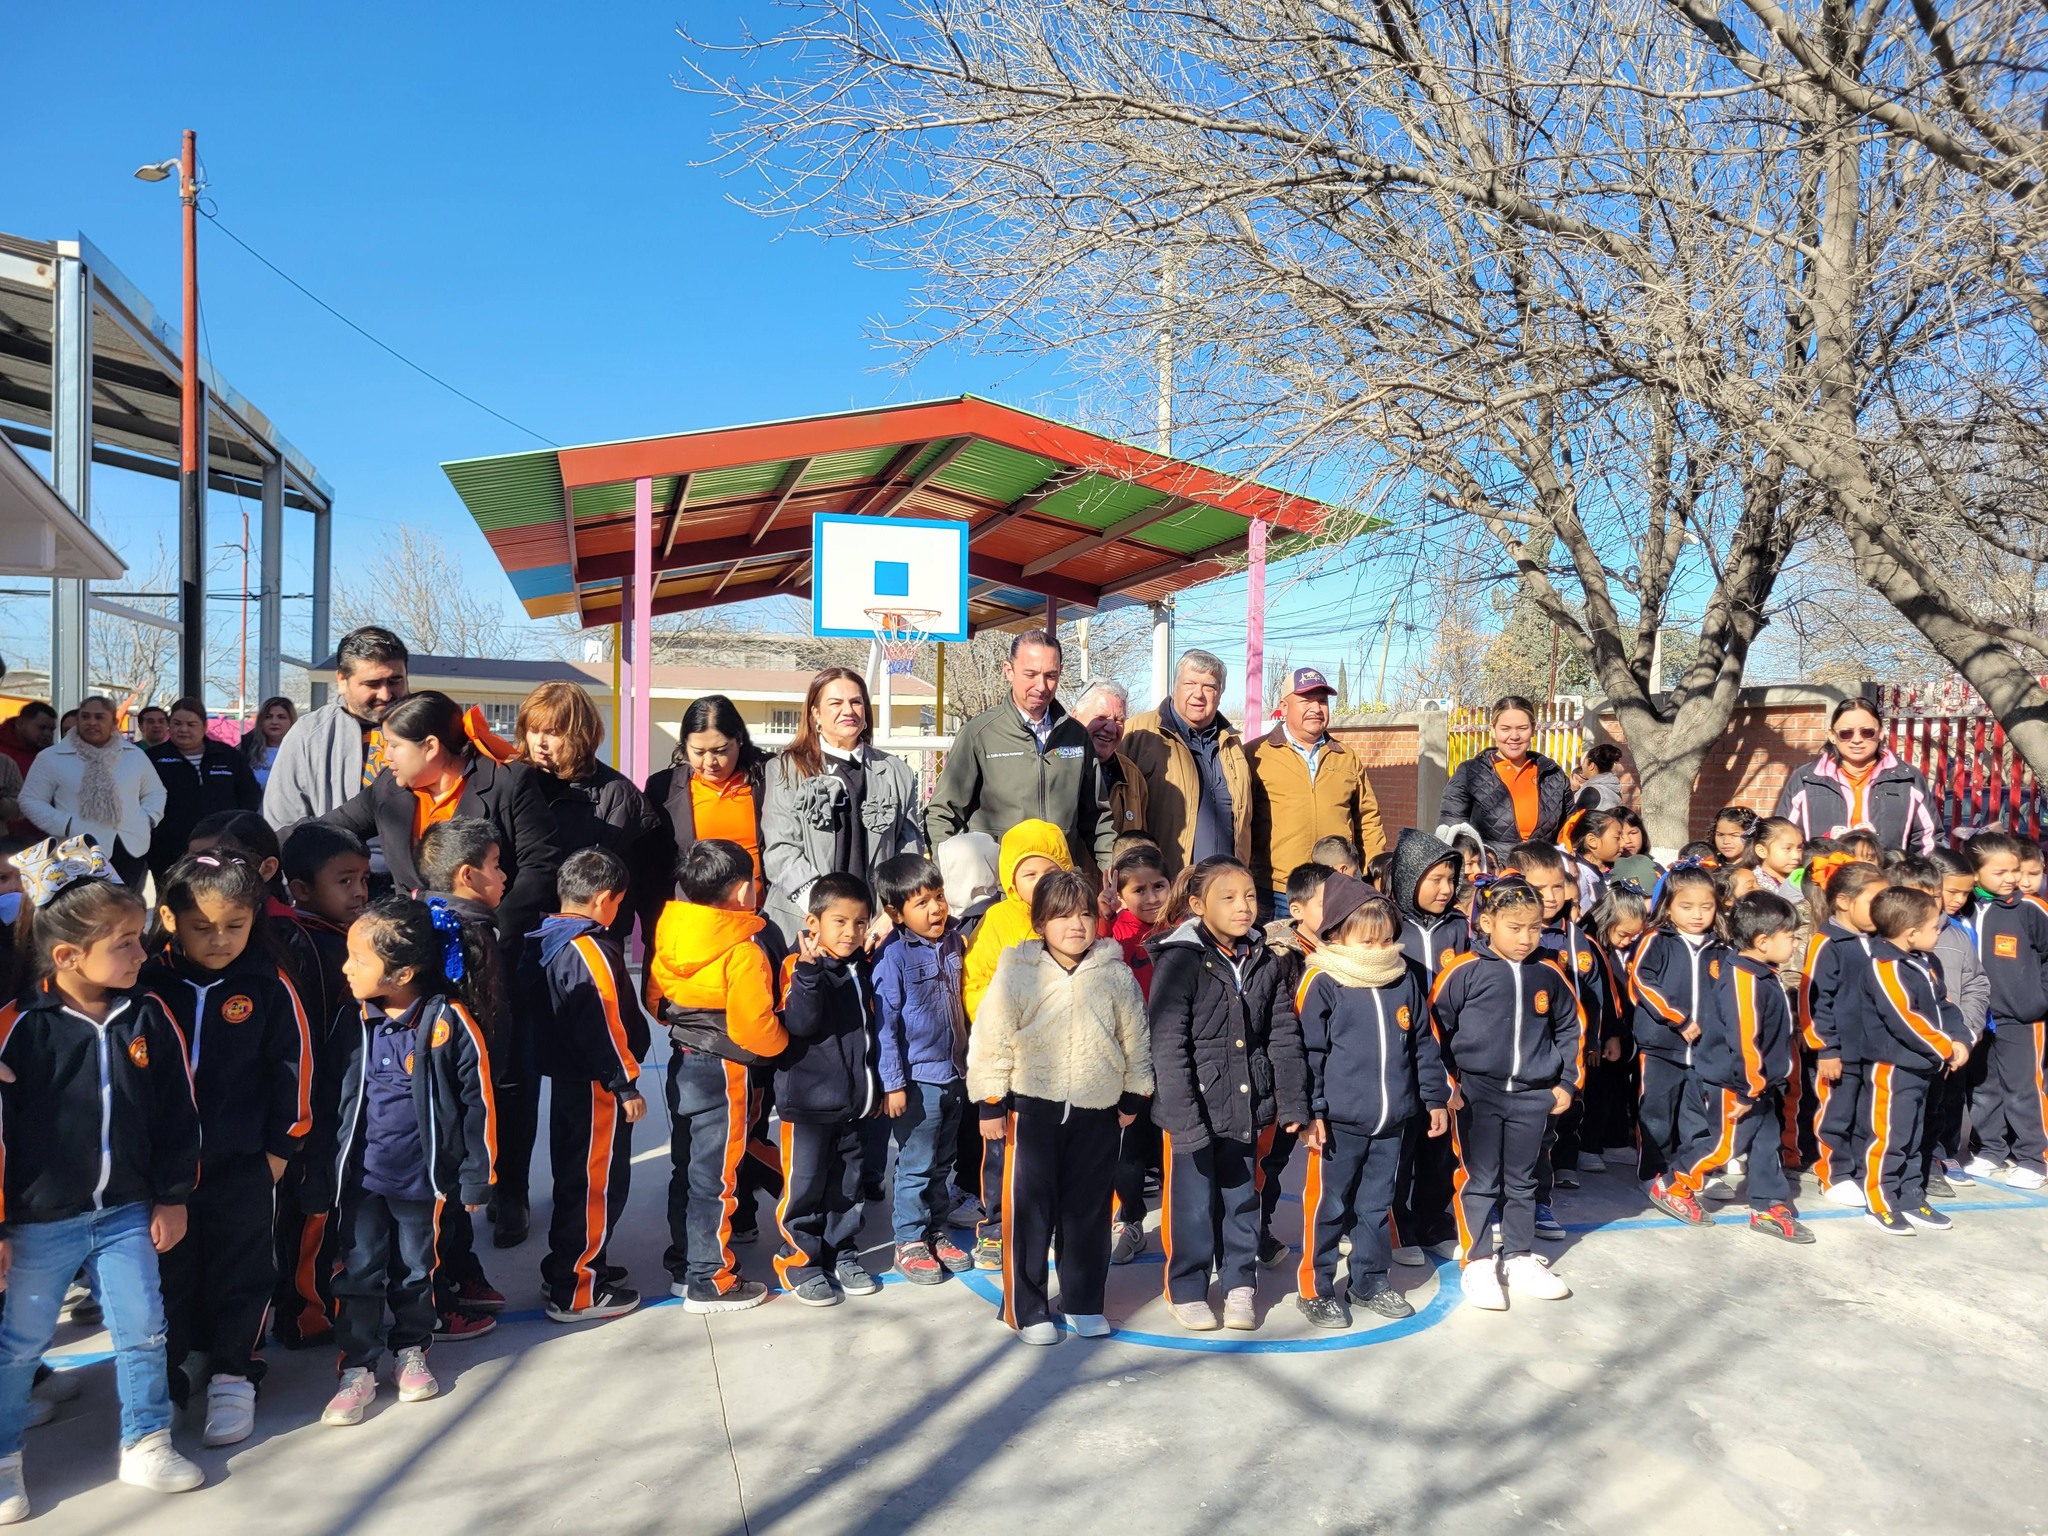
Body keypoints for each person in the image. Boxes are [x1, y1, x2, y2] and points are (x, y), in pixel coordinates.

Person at [0, 838, 205, 1518]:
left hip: (126, 1213)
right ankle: (4, 1460)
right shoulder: (18, 1027)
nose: (142, 954)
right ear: (66, 956)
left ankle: (146, 1439)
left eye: (138, 938)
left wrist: (172, 1195)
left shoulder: (148, 1014)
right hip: (38, 1223)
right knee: (19, 1345)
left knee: (143, 1327)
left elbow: (177, 1112)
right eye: (124, 944)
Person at [139, 852, 313, 1447]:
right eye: (202, 927)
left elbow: (293, 1066)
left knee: (242, 1266)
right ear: (169, 919)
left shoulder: (267, 983)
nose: (219, 940)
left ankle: (235, 1371)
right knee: (170, 1272)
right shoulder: (147, 983)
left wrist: (282, 1148)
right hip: (163, 1171)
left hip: (242, 1161)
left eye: (234, 925)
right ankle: (178, 1368)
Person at [306, 896, 497, 1426]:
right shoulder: (350, 1021)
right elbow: (327, 1102)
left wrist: (476, 1176)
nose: (346, 968)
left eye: (358, 960)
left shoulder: (449, 1022)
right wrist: (320, 1173)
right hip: (362, 1182)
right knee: (359, 1272)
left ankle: (412, 1349)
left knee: (416, 1270)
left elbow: (478, 1102)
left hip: (421, 1182)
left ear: (403, 973)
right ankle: (357, 1367)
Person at [969, 868, 1152, 1344]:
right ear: (1039, 923)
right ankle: (1025, 1307)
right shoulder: (1017, 972)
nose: (1076, 925)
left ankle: (1083, 1302)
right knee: (1030, 1214)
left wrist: (1134, 1093)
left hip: (1098, 1113)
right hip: (1032, 1114)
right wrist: (991, 1101)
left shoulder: (1114, 974)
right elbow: (992, 1038)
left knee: (1088, 1214)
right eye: (1062, 916)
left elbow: (1135, 1038)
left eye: (1086, 914)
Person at [1147, 856, 1310, 1333]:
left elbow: (1282, 1033)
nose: (1243, 907)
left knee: (1242, 1200)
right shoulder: (1180, 960)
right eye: (1229, 898)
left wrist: (1291, 1100)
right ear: (1198, 905)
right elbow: (1168, 1045)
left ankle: (1240, 1284)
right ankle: (1188, 1288)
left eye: (1250, 896)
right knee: (1193, 1207)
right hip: (1193, 1109)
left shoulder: (1265, 959)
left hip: (1247, 1106)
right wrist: (1184, 1119)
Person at [1294, 881, 1450, 1328]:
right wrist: (1312, 1112)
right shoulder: (1323, 981)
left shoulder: (1402, 978)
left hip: (1392, 1120)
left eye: (1386, 940)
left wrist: (1434, 1098)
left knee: (1376, 1207)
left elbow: (1423, 1043)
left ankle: (1369, 1281)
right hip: (1338, 1123)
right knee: (1328, 1207)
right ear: (1337, 935)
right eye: (1368, 941)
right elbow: (1308, 1054)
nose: (1380, 950)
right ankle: (1315, 1288)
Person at [316, 690, 561, 966]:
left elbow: (539, 867)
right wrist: (273, 847)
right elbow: (330, 827)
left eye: (394, 745)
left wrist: (493, 935)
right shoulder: (389, 787)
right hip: (414, 954)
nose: (385, 756)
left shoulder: (507, 782)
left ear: (430, 746)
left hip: (491, 953)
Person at [1429, 875, 1584, 1311]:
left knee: (1523, 1180)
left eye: (1534, 927)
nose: (1525, 938)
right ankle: (1478, 1261)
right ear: (1487, 923)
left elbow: (1571, 1026)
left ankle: (1518, 1256)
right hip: (1477, 1094)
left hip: (1533, 1096)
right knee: (1480, 1179)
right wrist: (1447, 1085)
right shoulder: (1463, 971)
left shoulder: (1549, 972)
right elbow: (1434, 1030)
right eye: (1514, 928)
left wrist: (1566, 1082)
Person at [649, 839, 786, 1313]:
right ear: (744, 890)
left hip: (683, 1059)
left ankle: (685, 1264)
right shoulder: (743, 949)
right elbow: (754, 1028)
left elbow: (656, 1001)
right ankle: (712, 1279)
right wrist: (784, 1043)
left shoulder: (671, 929)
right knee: (717, 1177)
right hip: (723, 1069)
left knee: (686, 1168)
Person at [528, 846, 649, 1322]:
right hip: (597, 1086)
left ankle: (569, 1264)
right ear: (603, 899)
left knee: (575, 1178)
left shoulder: (549, 936)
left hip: (570, 1080)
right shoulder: (587, 948)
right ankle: (577, 1288)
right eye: (618, 902)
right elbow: (604, 1022)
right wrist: (625, 1085)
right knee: (596, 1184)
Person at [959, 820, 1075, 1269]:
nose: (1040, 882)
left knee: (1055, 1151)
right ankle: (995, 1226)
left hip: (1062, 1060)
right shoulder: (1000, 920)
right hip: (1010, 1059)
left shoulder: (1075, 917)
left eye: (1049, 872)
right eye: (1028, 874)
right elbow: (976, 981)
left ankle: (1049, 1223)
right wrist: (1000, 1023)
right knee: (1002, 1151)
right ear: (1011, 880)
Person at [274, 822, 371, 1351]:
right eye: (344, 881)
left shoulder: (342, 937)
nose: (359, 892)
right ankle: (305, 1315)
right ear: (302, 889)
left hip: (343, 1101)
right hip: (317, 1105)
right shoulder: (306, 944)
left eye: (363, 879)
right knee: (313, 1208)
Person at [774, 872, 883, 1308]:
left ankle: (842, 1253)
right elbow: (800, 1024)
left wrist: (873, 1091)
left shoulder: (861, 967)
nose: (850, 932)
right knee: (805, 1187)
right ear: (812, 923)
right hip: (808, 1108)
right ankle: (800, 1261)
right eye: (840, 921)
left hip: (853, 1105)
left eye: (860, 922)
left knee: (847, 1187)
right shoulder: (798, 967)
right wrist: (808, 972)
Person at [926, 630, 1112, 883]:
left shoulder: (1076, 737)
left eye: (1050, 676)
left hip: (1059, 888)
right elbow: (943, 813)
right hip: (996, 889)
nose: (1041, 686)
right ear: (1009, 671)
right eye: (1030, 674)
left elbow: (1097, 818)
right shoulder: (979, 734)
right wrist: (948, 879)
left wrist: (1118, 876)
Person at [868, 854, 975, 1285]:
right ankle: (909, 1240)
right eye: (922, 903)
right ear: (895, 913)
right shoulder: (892, 956)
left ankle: (935, 1229)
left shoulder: (953, 941)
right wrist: (893, 1085)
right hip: (917, 1081)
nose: (936, 909)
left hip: (954, 1075)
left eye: (939, 897)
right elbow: (886, 1027)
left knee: (943, 1160)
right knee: (916, 1162)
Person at [760, 668, 922, 945]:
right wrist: (827, 912)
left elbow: (909, 851)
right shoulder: (786, 769)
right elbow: (781, 851)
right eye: (836, 703)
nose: (848, 710)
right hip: (803, 924)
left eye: (856, 702)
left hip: (875, 928)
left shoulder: (897, 772)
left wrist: (891, 912)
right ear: (815, 713)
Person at [1688, 891, 1814, 1242]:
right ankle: (1675, 1182)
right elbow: (1745, 1040)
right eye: (1790, 936)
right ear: (1762, 941)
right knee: (1724, 1146)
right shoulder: (1743, 980)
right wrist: (1748, 1089)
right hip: (1737, 1084)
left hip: (1758, 1084)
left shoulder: (1761, 972)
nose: (1795, 943)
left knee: (1766, 1143)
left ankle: (1768, 1202)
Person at [513, 680, 664, 945]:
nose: (539, 742)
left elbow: (631, 886)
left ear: (579, 735)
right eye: (533, 730)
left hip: (587, 940)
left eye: (552, 733)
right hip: (518, 932)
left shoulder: (619, 795)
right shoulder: (512, 781)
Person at [1856, 886, 1970, 1234]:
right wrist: (1945, 1048)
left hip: (1923, 1067)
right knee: (1890, 1137)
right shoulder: (1886, 966)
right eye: (1934, 927)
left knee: (1915, 1136)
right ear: (1910, 933)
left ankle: (1909, 1196)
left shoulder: (1922, 961)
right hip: (1893, 1068)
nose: (1939, 932)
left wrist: (1961, 1038)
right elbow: (1905, 1019)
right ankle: (1881, 1201)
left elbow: (1944, 1005)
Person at [1627, 859, 1731, 1224]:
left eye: (1706, 906)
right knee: (1656, 1113)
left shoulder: (1722, 947)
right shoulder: (1656, 940)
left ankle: (1692, 1172)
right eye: (1687, 906)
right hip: (1662, 1046)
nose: (1697, 915)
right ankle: (1653, 1173)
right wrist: (1678, 1017)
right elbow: (1642, 981)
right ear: (1668, 907)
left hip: (1704, 1050)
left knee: (1697, 1114)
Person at [1385, 828, 1468, 1263]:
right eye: (1435, 879)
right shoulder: (1389, 924)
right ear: (1409, 877)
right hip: (1402, 1053)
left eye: (1451, 879)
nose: (1445, 889)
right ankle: (1399, 1228)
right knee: (1402, 1146)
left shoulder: (1459, 926)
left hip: (1449, 1055)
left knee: (1440, 1145)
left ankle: (1434, 1221)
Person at [1246, 667, 1387, 919]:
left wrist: (1374, 873)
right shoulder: (1255, 754)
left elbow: (1368, 818)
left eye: (1322, 701)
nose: (1316, 708)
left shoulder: (1345, 757)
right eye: (1306, 700)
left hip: (1338, 888)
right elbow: (1240, 820)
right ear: (1284, 707)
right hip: (1277, 892)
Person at [643, 694, 771, 944]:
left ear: (739, 740)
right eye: (698, 752)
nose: (710, 762)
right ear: (684, 746)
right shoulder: (663, 788)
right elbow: (652, 871)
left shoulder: (770, 779)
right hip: (693, 929)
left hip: (762, 924)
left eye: (721, 751)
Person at [1961, 831, 2048, 1189]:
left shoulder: (2030, 909)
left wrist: (2038, 999)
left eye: (2015, 870)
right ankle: (1990, 1150)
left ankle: (2034, 1158)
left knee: (2024, 1087)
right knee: (1984, 1088)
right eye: (2000, 872)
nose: (2012, 878)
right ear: (1975, 872)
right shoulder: (1964, 907)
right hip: (1980, 1017)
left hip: (2021, 1018)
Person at [262, 625, 410, 835]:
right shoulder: (309, 734)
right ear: (342, 680)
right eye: (372, 684)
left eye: (395, 681)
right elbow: (283, 821)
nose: (385, 694)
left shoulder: (429, 727)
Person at [1799, 858, 1888, 1201]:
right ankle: (1834, 1175)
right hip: (1840, 1052)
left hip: (1875, 1050)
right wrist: (1827, 1049)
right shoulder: (1827, 943)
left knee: (1867, 1116)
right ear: (1843, 901)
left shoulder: (1881, 941)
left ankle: (1864, 1172)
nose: (1880, 910)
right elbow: (1813, 1000)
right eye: (1873, 901)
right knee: (1836, 1115)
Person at [1123, 649, 1252, 876]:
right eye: (1190, 683)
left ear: (1220, 693)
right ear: (1175, 687)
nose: (1198, 694)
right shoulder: (1138, 733)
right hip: (1163, 883)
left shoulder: (1232, 744)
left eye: (1209, 687)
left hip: (1224, 884)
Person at [18, 695, 165, 890]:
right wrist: (65, 824)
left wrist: (148, 819)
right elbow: (30, 800)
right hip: (77, 849)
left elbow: (155, 792)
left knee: (127, 906)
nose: (92, 722)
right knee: (82, 906)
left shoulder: (133, 754)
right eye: (85, 716)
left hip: (129, 846)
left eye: (99, 717)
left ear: (114, 723)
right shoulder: (52, 757)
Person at [1906, 848, 1990, 1193]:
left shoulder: (1956, 934)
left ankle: (1943, 1154)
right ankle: (1921, 1164)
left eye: (1966, 893)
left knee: (1949, 1103)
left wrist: (1967, 1030)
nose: (1958, 900)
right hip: (1918, 1041)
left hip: (1955, 1040)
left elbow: (1976, 983)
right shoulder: (1904, 933)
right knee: (1917, 1108)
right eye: (1951, 891)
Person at [1107, 843, 1173, 1264]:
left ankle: (1181, 1227)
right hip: (1129, 1060)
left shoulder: (1183, 929)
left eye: (1159, 886)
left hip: (1173, 1055)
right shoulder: (1115, 932)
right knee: (1127, 1148)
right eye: (1138, 890)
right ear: (1119, 894)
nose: (1151, 898)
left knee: (1172, 1146)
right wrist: (1104, 914)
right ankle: (1130, 1219)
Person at [1773, 697, 1936, 855]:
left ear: (1880, 733)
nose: (1857, 740)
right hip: (1820, 873)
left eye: (1867, 732)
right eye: (1846, 733)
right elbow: (1783, 838)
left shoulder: (1907, 779)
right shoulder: (1806, 779)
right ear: (1832, 735)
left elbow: (1928, 842)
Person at [144, 698, 264, 884]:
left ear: (204, 726)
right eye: (177, 723)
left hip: (222, 847)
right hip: (168, 851)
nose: (183, 729)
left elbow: (250, 795)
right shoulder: (152, 758)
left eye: (191, 724)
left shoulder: (228, 756)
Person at [1436, 696, 1572, 856]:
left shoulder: (1553, 774)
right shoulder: (1469, 773)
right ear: (1493, 730)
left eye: (1522, 728)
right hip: (1491, 869)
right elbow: (1453, 834)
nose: (1514, 736)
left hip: (1545, 868)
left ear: (1533, 728)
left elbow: (1571, 830)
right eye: (1505, 729)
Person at [1074, 678, 1149, 846]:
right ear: (1075, 716)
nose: (1111, 728)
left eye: (1118, 720)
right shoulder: (1053, 767)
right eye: (1101, 717)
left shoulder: (1132, 776)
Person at [240, 696, 298, 790]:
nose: (274, 722)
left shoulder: (302, 752)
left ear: (292, 721)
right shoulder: (244, 749)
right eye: (268, 717)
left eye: (281, 717)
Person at [1573, 743, 1626, 810]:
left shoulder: (1590, 792)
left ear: (1591, 766)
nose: (1582, 766)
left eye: (1584, 762)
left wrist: (1572, 792)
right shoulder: (1613, 789)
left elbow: (1573, 814)